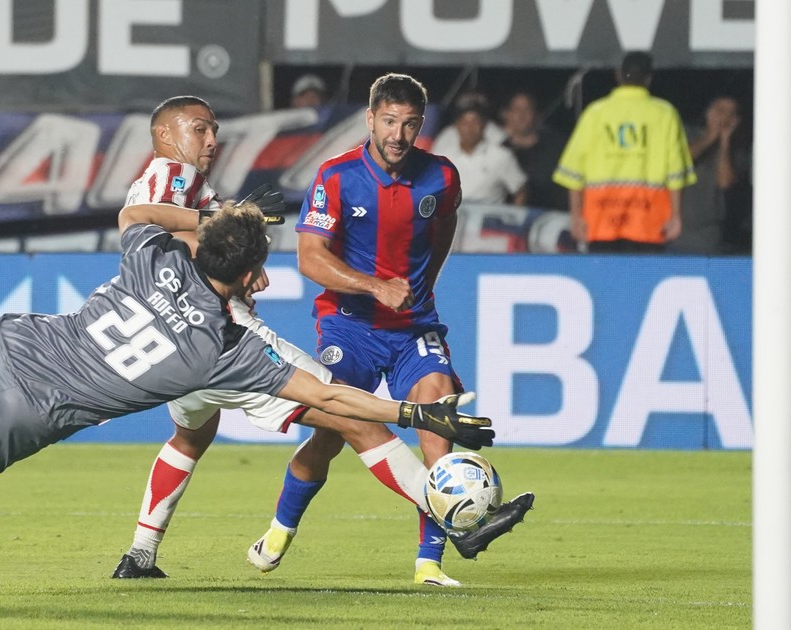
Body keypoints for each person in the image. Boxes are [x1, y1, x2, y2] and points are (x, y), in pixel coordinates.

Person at [0, 198, 495, 603]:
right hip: (29, 416)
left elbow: (136, 214)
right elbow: (327, 395)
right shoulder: (224, 351)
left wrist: (212, 218)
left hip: (10, 345)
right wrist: (418, 414)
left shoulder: (154, 257)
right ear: (249, 277)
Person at [111, 96, 503, 587]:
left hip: (175, 346)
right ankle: (457, 519)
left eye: (214, 130)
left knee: (192, 436)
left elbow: (167, 242)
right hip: (223, 338)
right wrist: (225, 227)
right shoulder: (174, 174)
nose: (211, 140)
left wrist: (233, 260)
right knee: (355, 419)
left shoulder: (174, 184)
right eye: (199, 129)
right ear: (166, 134)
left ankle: (140, 553)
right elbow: (142, 219)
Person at [250, 72, 535, 588]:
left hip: (413, 328)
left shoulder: (441, 177)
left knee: (439, 416)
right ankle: (280, 529)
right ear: (370, 119)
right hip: (349, 326)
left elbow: (442, 230)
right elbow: (310, 258)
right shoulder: (336, 176)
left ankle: (429, 564)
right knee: (330, 435)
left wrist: (422, 287)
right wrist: (374, 286)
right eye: (388, 121)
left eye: (409, 124)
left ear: (420, 125)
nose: (397, 135)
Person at [553, 51, 697, 252]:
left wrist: (576, 217)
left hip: (601, 219)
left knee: (605, 272)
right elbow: (676, 173)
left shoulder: (596, 113)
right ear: (649, 78)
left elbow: (573, 172)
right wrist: (675, 216)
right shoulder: (665, 114)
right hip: (647, 222)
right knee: (643, 272)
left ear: (618, 74)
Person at [670, 95, 750, 254]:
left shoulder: (737, 150)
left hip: (710, 234)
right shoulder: (686, 133)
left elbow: (725, 182)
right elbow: (679, 162)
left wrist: (724, 142)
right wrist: (709, 137)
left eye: (731, 113)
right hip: (677, 228)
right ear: (708, 112)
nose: (725, 117)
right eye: (720, 111)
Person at [436, 104, 528, 205]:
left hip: (488, 214)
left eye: (475, 123)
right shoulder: (443, 157)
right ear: (457, 127)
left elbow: (520, 191)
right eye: (465, 123)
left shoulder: (501, 156)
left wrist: (515, 214)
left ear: (484, 126)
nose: (470, 128)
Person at [501, 91, 569, 211]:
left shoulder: (556, 145)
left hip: (552, 214)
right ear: (506, 114)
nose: (521, 115)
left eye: (527, 109)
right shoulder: (498, 149)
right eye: (516, 109)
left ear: (535, 114)